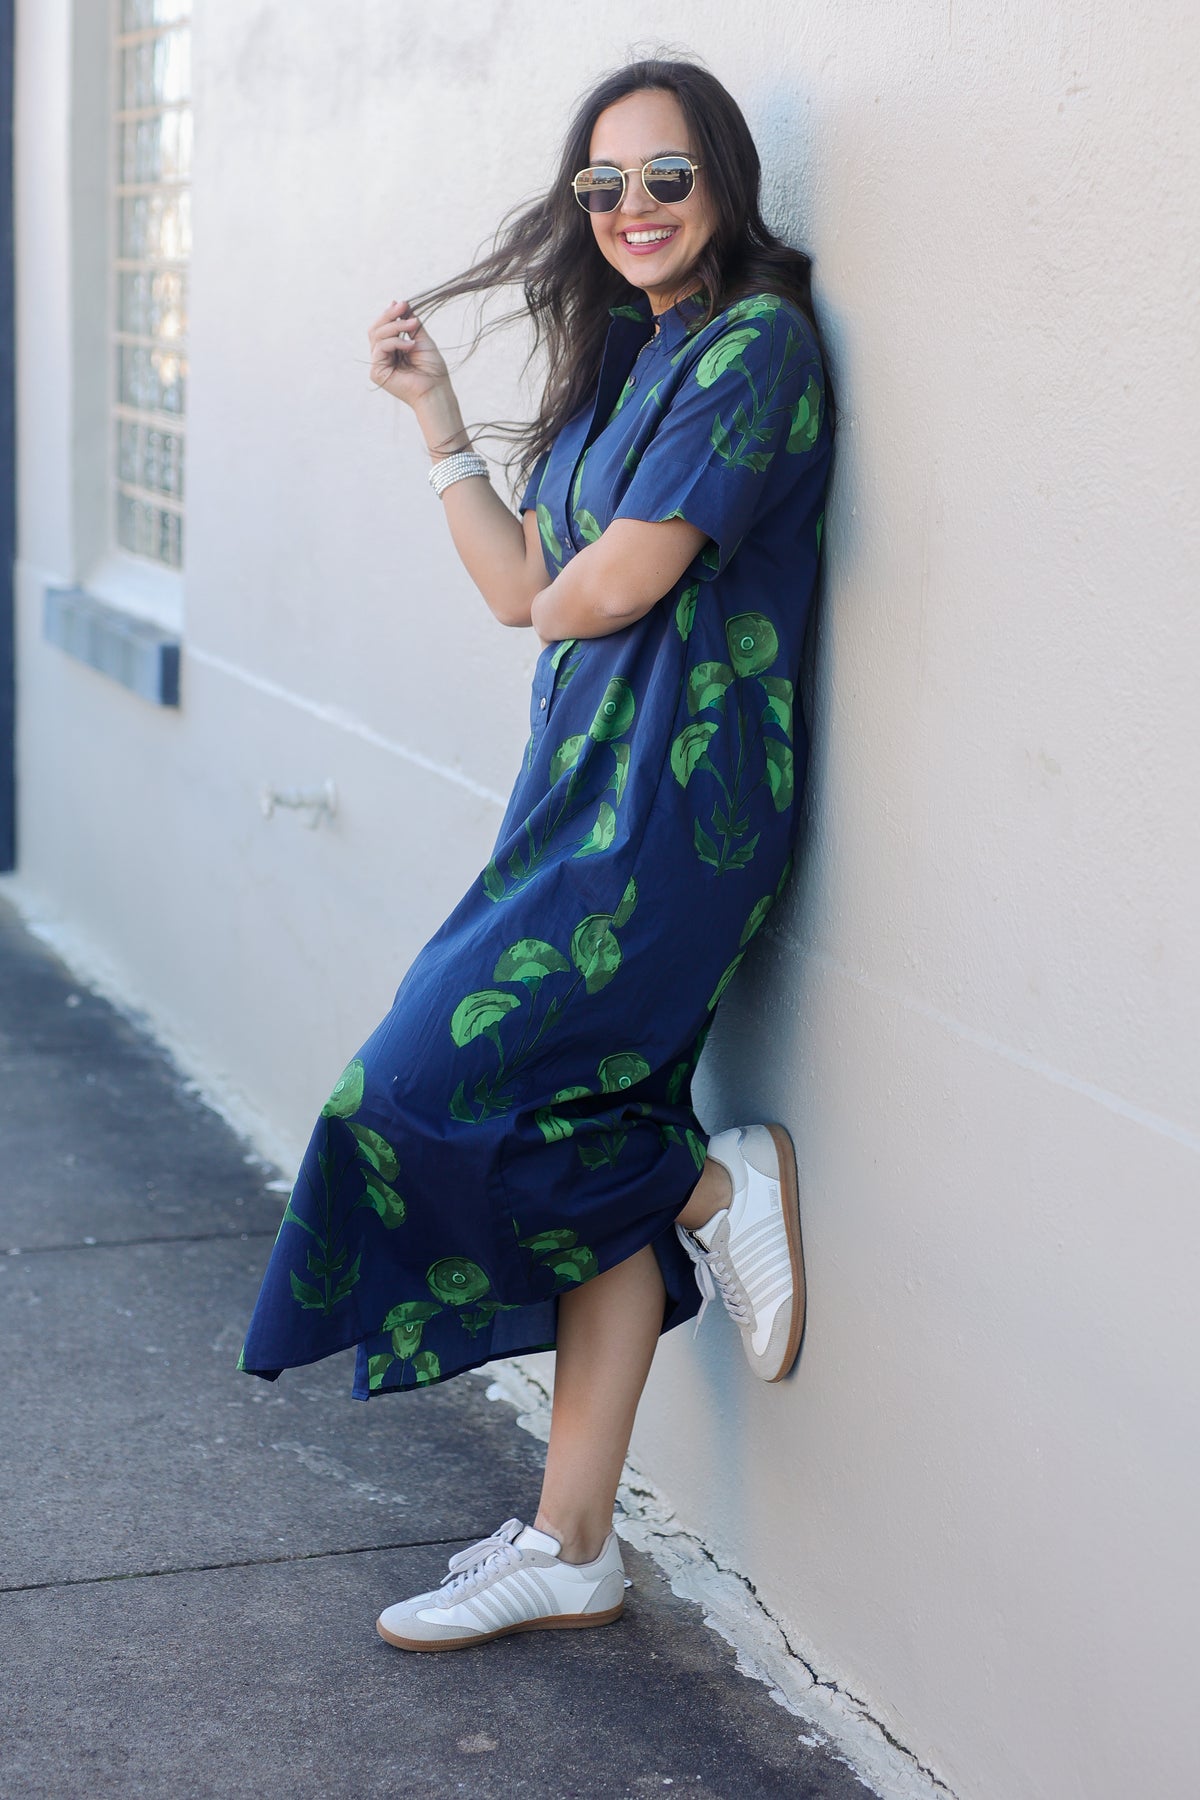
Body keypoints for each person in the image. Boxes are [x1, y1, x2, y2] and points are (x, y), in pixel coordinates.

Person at [239, 56, 833, 1653]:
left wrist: (575, 581)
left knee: (412, 1090)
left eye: (665, 178)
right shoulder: (623, 362)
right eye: (602, 187)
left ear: (723, 185)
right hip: (569, 796)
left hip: (674, 815)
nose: (631, 209)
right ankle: (574, 1544)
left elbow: (610, 587)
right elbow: (522, 589)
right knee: (580, 1139)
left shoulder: (758, 346)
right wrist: (439, 421)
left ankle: (715, 1181)